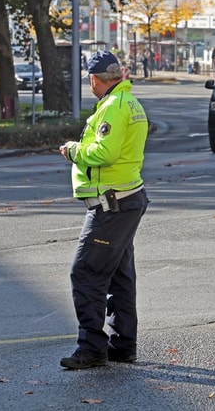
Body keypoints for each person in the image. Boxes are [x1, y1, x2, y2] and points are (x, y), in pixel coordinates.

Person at [58, 51, 149, 370]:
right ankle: (123, 345)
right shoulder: (130, 103)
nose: (90, 86)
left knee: (86, 272)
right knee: (120, 275)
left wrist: (73, 151)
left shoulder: (112, 107)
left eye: (90, 81)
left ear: (95, 80)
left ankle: (92, 347)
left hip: (111, 204)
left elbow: (104, 152)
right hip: (127, 199)